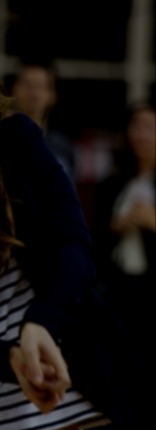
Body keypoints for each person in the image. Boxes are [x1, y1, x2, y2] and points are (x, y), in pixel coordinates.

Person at [0, 34, 149, 430]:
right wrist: (6, 357)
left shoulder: (17, 139)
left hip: (58, 368)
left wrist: (43, 321)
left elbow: (75, 243)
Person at [91, 103, 155, 362]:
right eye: (136, 126)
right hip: (118, 289)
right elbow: (94, 237)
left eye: (150, 128)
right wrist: (117, 226)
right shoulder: (113, 183)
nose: (142, 134)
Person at [9, 61, 77, 179]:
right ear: (13, 90)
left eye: (40, 86)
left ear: (52, 95)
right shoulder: (1, 143)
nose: (33, 94)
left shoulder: (63, 147)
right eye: (27, 85)